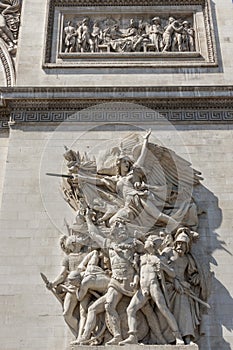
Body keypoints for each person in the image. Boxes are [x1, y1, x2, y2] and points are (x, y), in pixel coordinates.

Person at [81, 210, 143, 345]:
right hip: (115, 280)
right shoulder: (110, 244)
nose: (118, 227)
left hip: (131, 281)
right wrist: (88, 219)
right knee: (109, 305)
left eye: (120, 225)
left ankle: (164, 335)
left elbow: (149, 254)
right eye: (116, 225)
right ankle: (117, 336)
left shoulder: (134, 243)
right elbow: (94, 233)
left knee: (147, 310)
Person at [120, 235, 184, 345]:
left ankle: (178, 336)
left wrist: (164, 267)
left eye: (148, 240)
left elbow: (172, 274)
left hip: (153, 286)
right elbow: (138, 273)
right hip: (143, 288)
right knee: (130, 309)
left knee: (164, 310)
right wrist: (135, 281)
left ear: (152, 245)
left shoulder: (160, 258)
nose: (146, 242)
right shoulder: (141, 258)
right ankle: (133, 336)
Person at [161, 227, 204, 344]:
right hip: (168, 287)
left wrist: (195, 279)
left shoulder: (188, 258)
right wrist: (173, 281)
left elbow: (192, 275)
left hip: (183, 290)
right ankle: (169, 338)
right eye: (178, 243)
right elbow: (159, 266)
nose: (180, 246)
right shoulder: (168, 252)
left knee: (185, 310)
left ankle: (187, 338)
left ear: (187, 246)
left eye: (183, 244)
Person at [46, 235, 87, 337]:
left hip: (85, 287)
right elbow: (62, 274)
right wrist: (53, 283)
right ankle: (79, 333)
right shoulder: (67, 258)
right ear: (74, 243)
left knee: (84, 313)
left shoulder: (86, 255)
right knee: (67, 314)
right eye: (79, 239)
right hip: (71, 288)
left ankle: (84, 336)